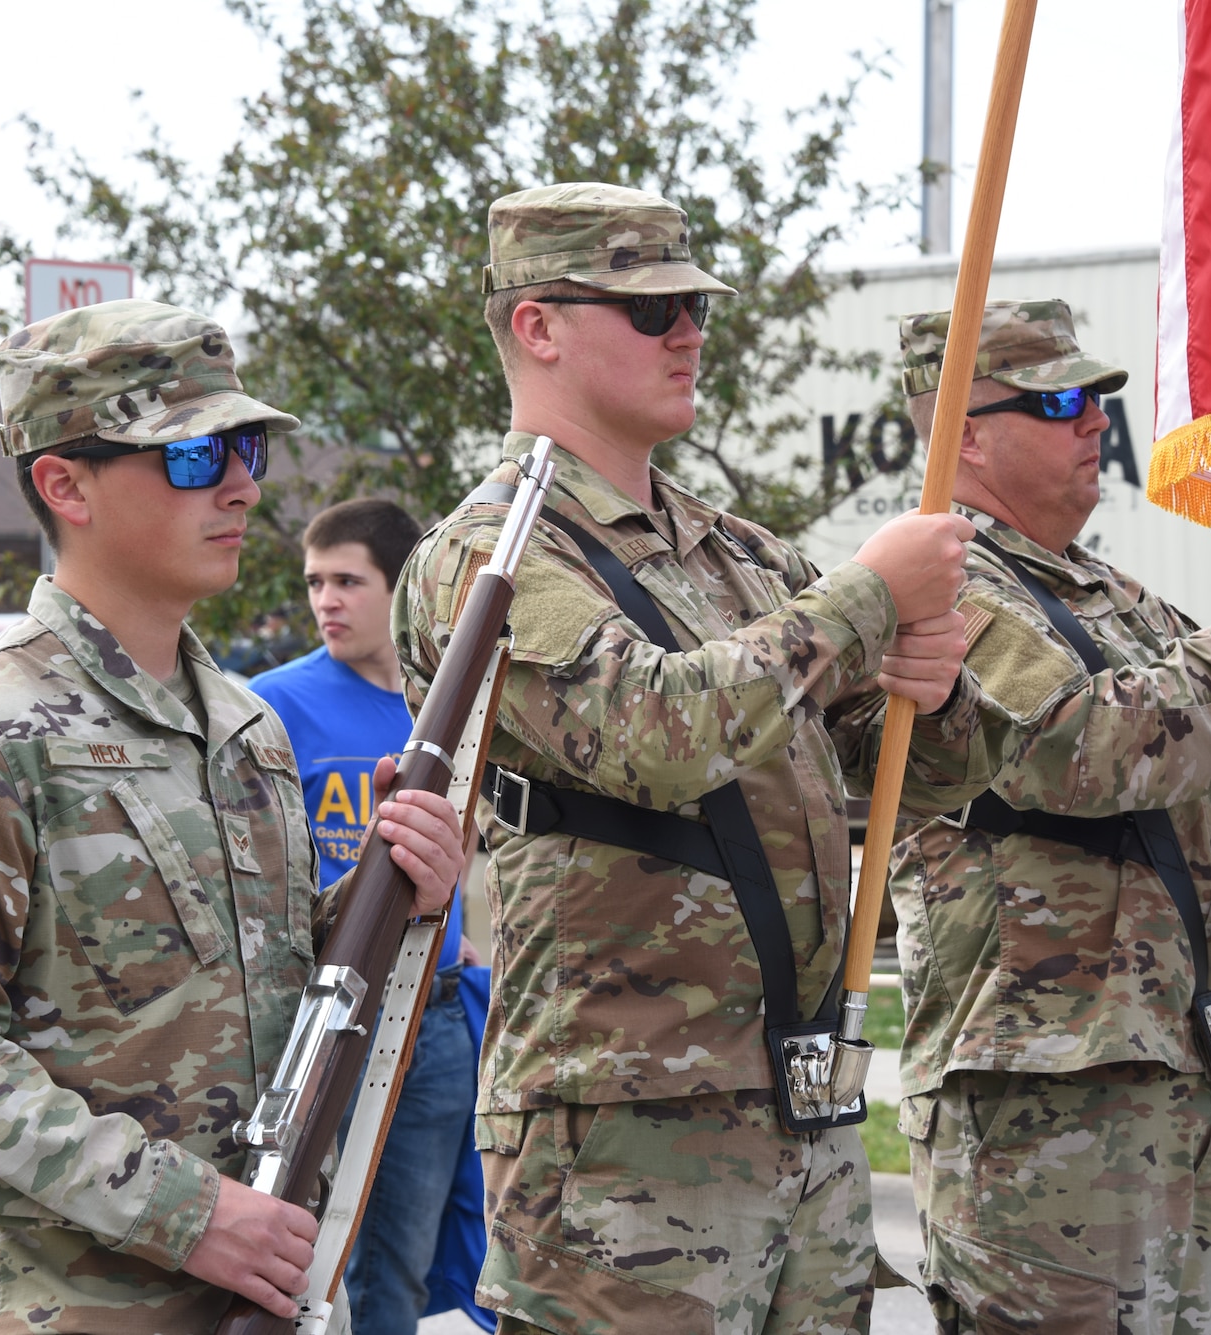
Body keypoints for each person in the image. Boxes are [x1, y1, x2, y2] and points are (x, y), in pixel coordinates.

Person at [392, 181, 991, 1335]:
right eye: (651, 307)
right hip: (623, 1128)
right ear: (538, 326)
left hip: (794, 1099)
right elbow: (652, 736)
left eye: (695, 306)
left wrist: (937, 691)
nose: (687, 333)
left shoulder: (739, 557)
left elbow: (907, 772)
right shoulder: (486, 559)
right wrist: (866, 598)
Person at [0, 299, 467, 1333]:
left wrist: (396, 896)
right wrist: (187, 1212)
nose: (241, 483)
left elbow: (275, 986)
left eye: (243, 445)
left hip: (269, 1296)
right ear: (63, 483)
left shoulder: (247, 727)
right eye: (190, 455)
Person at [873, 300, 1211, 1335]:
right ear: (967, 431)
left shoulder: (1107, 595)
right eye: (1061, 401)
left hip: (1175, 1068)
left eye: (1098, 402)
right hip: (1043, 1094)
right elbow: (1077, 753)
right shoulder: (943, 582)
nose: (1094, 425)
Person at [249, 499, 490, 1334]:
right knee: (316, 1257)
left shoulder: (451, 707)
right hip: (339, 1006)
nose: (326, 599)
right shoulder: (271, 704)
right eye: (315, 581)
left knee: (407, 1269)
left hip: (437, 1013)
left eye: (348, 580)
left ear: (403, 588)